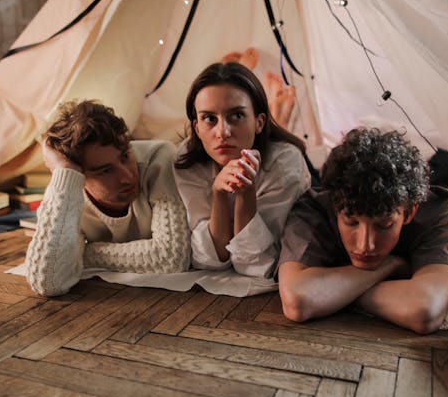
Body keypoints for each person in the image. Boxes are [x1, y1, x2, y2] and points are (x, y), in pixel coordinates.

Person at [278, 127, 448, 334]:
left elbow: (424, 312)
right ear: (335, 206)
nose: (365, 245)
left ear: (410, 211)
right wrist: (389, 265)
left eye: (384, 226)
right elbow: (298, 302)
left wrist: (332, 294)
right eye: (351, 222)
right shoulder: (313, 209)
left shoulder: (443, 211)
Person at [25, 99, 190, 296]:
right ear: (80, 175)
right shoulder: (68, 190)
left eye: (125, 157)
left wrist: (86, 255)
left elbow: (172, 257)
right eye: (105, 171)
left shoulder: (159, 158)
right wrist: (65, 171)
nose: (127, 177)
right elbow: (49, 281)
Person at [174, 62, 312, 278]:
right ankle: (280, 116)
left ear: (259, 121)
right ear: (197, 128)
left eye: (236, 116)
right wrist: (218, 194)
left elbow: (259, 266)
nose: (223, 132)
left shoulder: (285, 163)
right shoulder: (186, 160)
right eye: (209, 118)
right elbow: (210, 261)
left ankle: (280, 117)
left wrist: (246, 193)